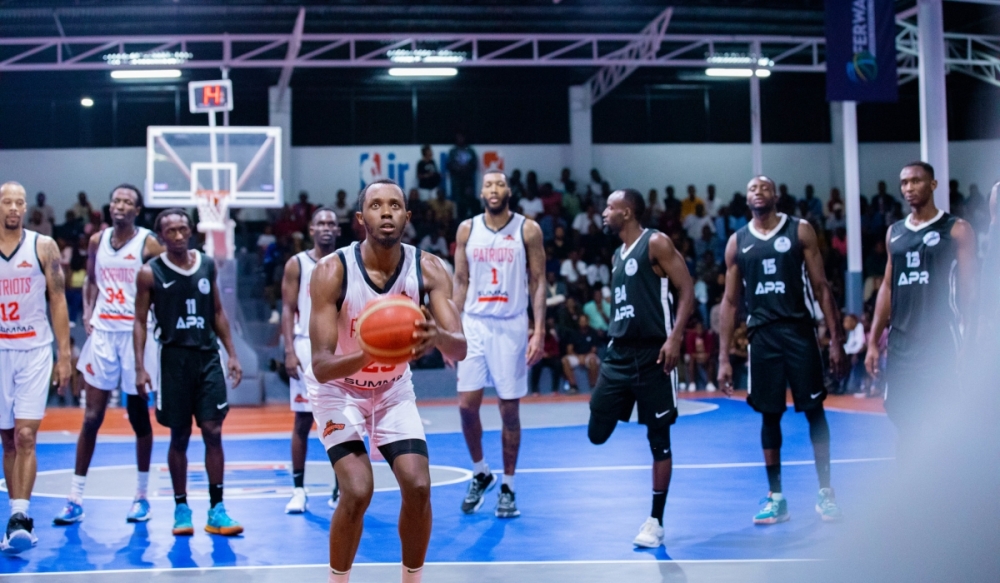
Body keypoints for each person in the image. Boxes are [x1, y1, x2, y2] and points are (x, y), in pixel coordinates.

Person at [306, 179, 466, 583]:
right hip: (339, 392)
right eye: (376, 205)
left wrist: (436, 336)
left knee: (419, 486)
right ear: (361, 218)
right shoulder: (332, 271)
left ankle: (411, 580)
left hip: (393, 390)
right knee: (358, 490)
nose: (386, 212)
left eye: (395, 205)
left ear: (407, 216)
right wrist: (371, 351)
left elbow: (460, 347)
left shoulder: (429, 268)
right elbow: (321, 366)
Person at [718, 175, 847, 525]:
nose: (758, 192)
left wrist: (836, 339)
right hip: (762, 338)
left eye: (764, 187)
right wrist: (723, 358)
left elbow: (821, 287)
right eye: (752, 188)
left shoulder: (800, 230)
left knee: (814, 410)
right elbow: (730, 302)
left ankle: (826, 492)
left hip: (799, 332)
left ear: (776, 195)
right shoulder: (737, 242)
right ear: (746, 199)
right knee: (769, 415)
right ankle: (776, 498)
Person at [588, 189, 695, 548]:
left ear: (628, 212)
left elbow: (687, 289)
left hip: (655, 355)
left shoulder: (656, 243)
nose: (604, 212)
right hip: (619, 355)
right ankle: (627, 402)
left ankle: (655, 521)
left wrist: (675, 338)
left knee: (658, 439)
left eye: (610, 207)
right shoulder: (617, 255)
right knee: (596, 432)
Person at [52, 185, 163, 527]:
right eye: (116, 200)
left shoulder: (149, 244)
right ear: (109, 206)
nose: (120, 205)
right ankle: (74, 499)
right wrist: (88, 311)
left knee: (138, 417)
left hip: (135, 337)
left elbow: (162, 288)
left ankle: (141, 496)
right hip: (103, 334)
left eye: (128, 202)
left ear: (137, 210)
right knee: (91, 418)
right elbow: (89, 281)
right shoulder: (98, 241)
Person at [134, 209, 244, 537]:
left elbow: (218, 312)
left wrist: (232, 354)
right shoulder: (149, 273)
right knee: (179, 435)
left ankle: (217, 508)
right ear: (160, 236)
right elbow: (139, 321)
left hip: (207, 357)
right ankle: (181, 508)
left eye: (183, 229)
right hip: (173, 360)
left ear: (191, 230)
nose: (179, 235)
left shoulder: (207, 264)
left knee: (212, 430)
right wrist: (140, 367)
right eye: (171, 231)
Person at [865, 162, 978, 453]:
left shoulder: (957, 229)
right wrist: (873, 342)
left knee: (944, 419)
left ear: (933, 185)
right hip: (901, 342)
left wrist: (970, 342)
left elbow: (970, 293)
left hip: (940, 340)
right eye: (904, 183)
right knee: (903, 420)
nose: (909, 188)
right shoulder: (895, 232)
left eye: (916, 181)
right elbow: (887, 287)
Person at [452, 170, 546, 519]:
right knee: (466, 406)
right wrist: (451, 331)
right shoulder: (467, 229)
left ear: (509, 191)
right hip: (474, 324)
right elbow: (460, 281)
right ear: (481, 193)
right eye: (488, 184)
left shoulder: (528, 229)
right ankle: (481, 472)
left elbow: (538, 281)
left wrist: (539, 331)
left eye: (500, 184)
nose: (494, 189)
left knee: (509, 410)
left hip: (511, 325)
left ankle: (508, 485)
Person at [0, 182, 71, 554]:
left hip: (35, 350)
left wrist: (65, 355)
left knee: (26, 435)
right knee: (8, 439)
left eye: (19, 202)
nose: (14, 208)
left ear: (26, 208)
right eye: (6, 202)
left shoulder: (43, 246)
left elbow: (57, 299)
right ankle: (14, 518)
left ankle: (20, 516)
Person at [281, 208, 340, 514]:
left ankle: (341, 487)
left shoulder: (348, 262)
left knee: (344, 420)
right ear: (311, 230)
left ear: (338, 230)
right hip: (306, 346)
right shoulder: (297, 264)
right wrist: (289, 351)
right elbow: (287, 309)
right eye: (321, 223)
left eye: (332, 223)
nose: (326, 227)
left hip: (340, 347)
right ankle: (298, 490)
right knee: (303, 420)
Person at [561, 314, 601, 393]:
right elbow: (569, 350)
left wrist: (584, 357)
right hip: (576, 356)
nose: (583, 323)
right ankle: (573, 386)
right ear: (578, 322)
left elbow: (594, 350)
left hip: (589, 355)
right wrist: (579, 357)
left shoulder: (593, 332)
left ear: (588, 322)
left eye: (584, 321)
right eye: (581, 321)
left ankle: (593, 387)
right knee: (565, 360)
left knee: (593, 361)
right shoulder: (573, 333)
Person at [447, 133, 478, 219]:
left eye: (461, 137)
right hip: (457, 181)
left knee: (469, 200)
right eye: (458, 137)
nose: (460, 139)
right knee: (458, 202)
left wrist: (466, 168)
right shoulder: (453, 151)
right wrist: (458, 168)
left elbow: (474, 164)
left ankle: (469, 219)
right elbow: (449, 165)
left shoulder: (470, 151)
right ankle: (459, 220)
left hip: (468, 181)